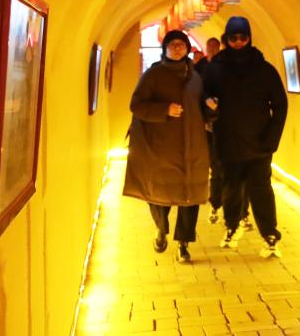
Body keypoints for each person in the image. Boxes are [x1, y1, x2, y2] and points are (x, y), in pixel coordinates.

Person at [203, 16, 288, 258]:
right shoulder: (216, 69)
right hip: (228, 139)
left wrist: (272, 139)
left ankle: (270, 234)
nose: (239, 42)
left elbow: (280, 105)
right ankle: (232, 226)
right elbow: (203, 97)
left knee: (261, 189)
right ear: (227, 39)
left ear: (249, 38)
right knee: (231, 187)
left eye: (243, 37)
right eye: (234, 38)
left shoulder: (264, 69)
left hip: (259, 142)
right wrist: (209, 108)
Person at [123, 29, 210, 264]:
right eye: (172, 44)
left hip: (192, 146)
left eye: (181, 44)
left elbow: (200, 106)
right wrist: (164, 110)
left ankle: (183, 244)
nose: (177, 48)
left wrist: (211, 109)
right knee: (159, 193)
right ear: (165, 49)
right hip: (162, 147)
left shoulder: (195, 77)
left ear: (188, 48)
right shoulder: (153, 75)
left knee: (190, 196)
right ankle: (161, 229)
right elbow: (137, 105)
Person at [194, 36, 251, 228]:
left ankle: (242, 212)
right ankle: (216, 205)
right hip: (213, 127)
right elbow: (198, 93)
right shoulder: (202, 68)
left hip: (236, 129)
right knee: (217, 169)